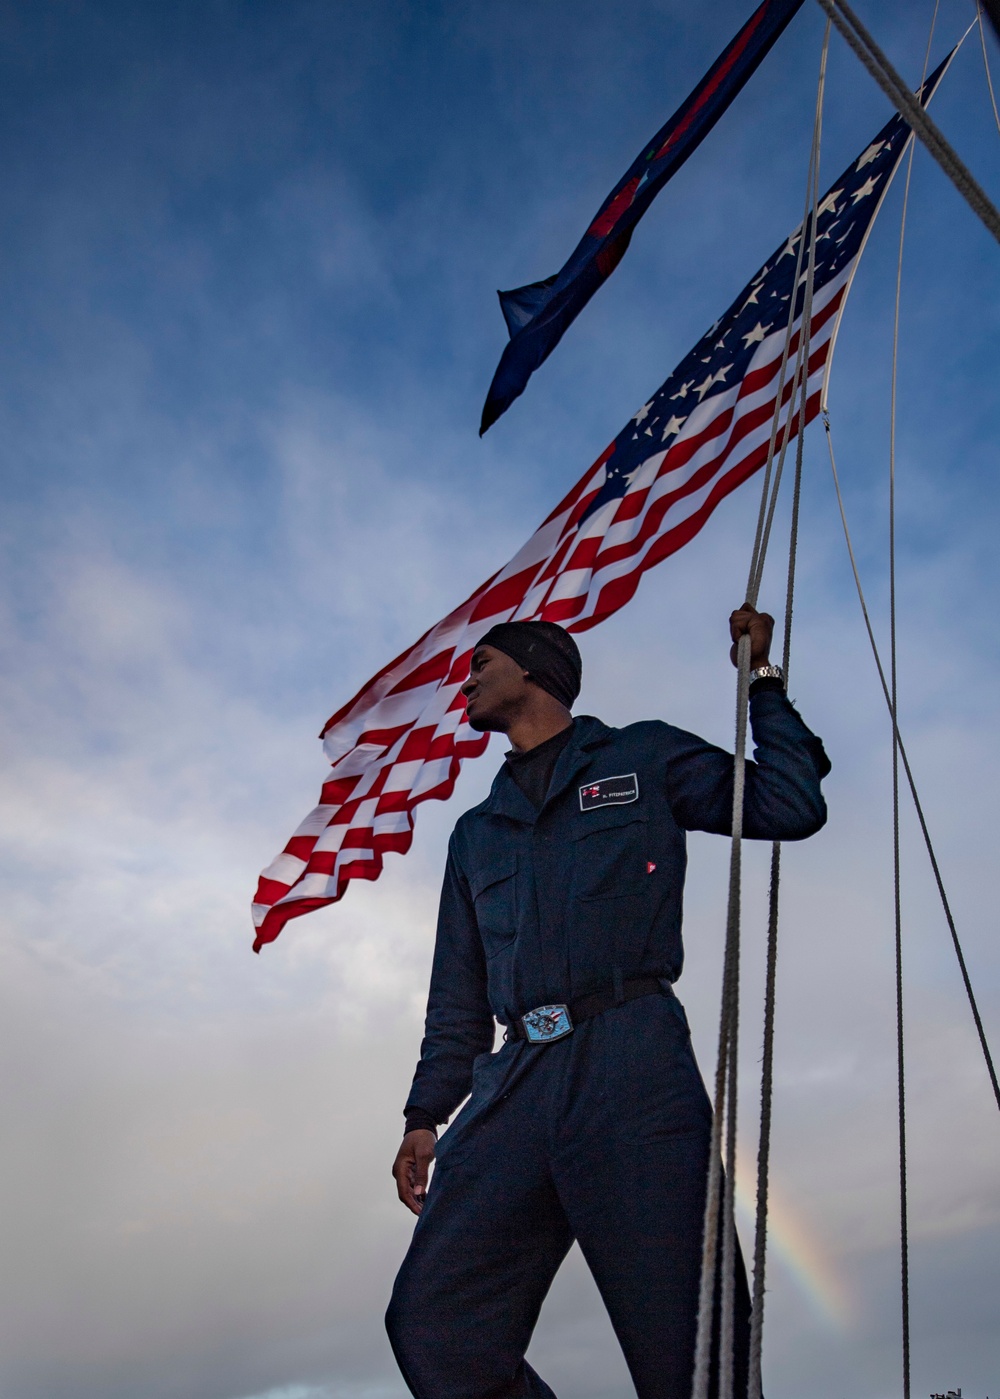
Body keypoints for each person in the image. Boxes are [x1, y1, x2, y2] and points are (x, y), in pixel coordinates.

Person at [385, 605, 830, 1399]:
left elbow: (790, 804)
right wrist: (424, 1115)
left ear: (531, 670)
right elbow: (457, 998)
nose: (468, 679)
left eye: (481, 662)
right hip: (514, 1083)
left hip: (631, 1062)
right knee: (433, 1323)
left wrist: (760, 677)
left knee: (688, 1349)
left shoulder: (642, 755)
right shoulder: (475, 832)